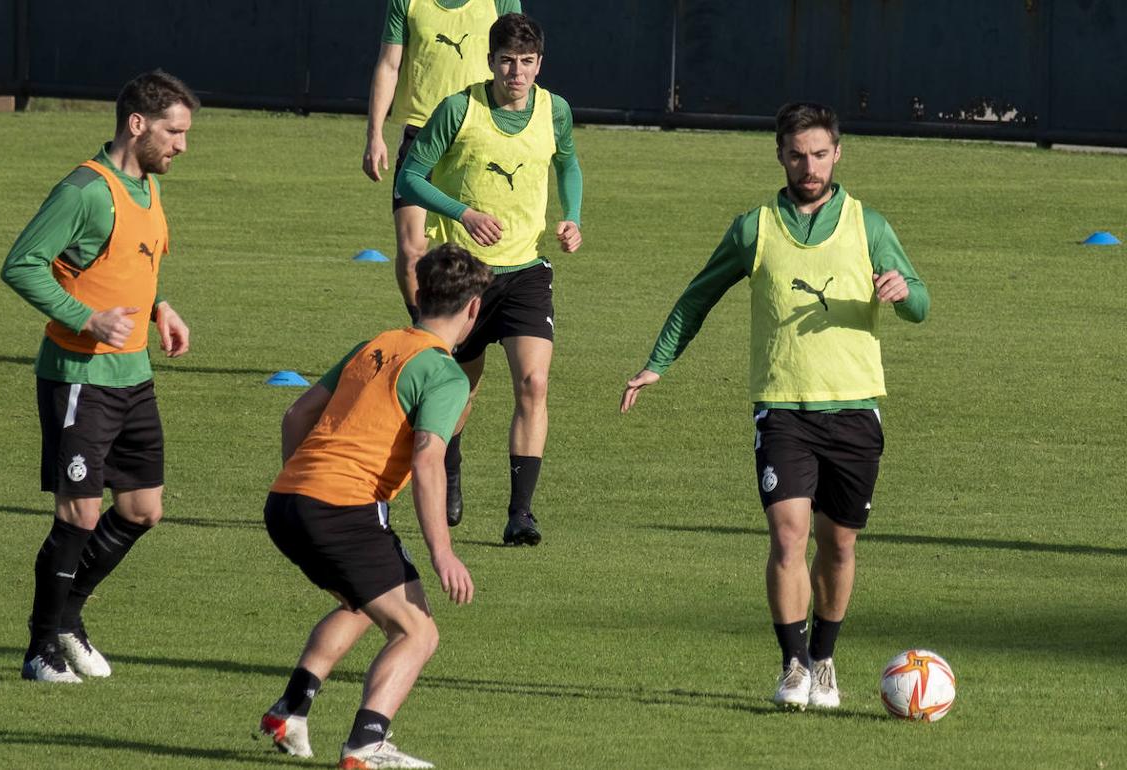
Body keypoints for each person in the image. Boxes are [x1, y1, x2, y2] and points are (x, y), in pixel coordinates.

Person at [621, 102, 929, 711]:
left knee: (838, 544)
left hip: (855, 410)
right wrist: (658, 361)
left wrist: (902, 291)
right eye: (796, 154)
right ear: (780, 155)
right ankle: (792, 664)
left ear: (838, 153)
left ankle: (824, 660)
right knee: (788, 536)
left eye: (819, 154)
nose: (808, 166)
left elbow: (920, 301)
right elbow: (697, 296)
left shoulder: (869, 226)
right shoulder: (754, 228)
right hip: (783, 409)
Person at [0, 70, 199, 683]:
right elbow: (21, 265)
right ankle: (39, 650)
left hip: (133, 377)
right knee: (79, 515)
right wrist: (86, 318)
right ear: (136, 125)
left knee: (142, 509)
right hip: (79, 377)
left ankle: (69, 616)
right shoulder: (86, 190)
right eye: (173, 131)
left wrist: (160, 306)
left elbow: (134, 263)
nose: (182, 146)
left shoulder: (146, 188)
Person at [258, 244, 490, 769]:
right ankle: (367, 743)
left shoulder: (377, 344)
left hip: (286, 501)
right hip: (342, 509)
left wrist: (306, 484)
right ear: (473, 309)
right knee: (417, 631)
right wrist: (444, 552)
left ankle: (290, 710)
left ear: (420, 294)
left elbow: (296, 414)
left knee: (362, 603)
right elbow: (430, 458)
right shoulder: (444, 373)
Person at [396, 12, 583, 545]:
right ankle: (451, 465)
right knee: (462, 389)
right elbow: (410, 175)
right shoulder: (458, 109)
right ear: (490, 61)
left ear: (539, 64)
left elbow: (568, 164)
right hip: (463, 275)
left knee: (534, 383)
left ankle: (521, 513)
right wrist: (463, 213)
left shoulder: (556, 110)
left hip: (526, 270)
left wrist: (572, 216)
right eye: (507, 62)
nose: (516, 73)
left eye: (526, 63)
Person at [363, 0, 521, 323]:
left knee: (472, 255)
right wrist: (374, 133)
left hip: (477, 134)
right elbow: (389, 65)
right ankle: (425, 333)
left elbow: (517, 62)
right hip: (421, 136)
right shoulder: (406, 2)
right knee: (411, 253)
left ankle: (464, 339)